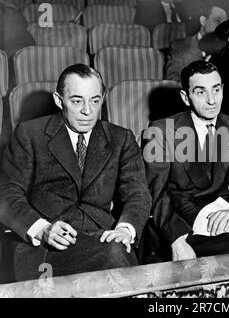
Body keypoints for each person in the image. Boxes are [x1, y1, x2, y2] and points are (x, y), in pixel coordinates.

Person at [0, 64, 151, 281]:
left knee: (117, 251)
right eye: (77, 101)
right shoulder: (29, 135)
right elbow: (7, 193)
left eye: (95, 101)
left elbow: (138, 193)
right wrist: (42, 229)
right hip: (47, 248)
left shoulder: (121, 138)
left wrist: (125, 230)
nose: (87, 111)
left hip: (103, 238)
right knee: (117, 257)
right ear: (58, 100)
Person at [143, 60, 229, 261]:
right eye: (200, 92)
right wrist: (177, 240)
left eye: (216, 90)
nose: (212, 100)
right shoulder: (160, 131)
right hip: (179, 225)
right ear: (185, 97)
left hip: (222, 217)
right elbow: (156, 194)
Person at [165, 4, 227, 82]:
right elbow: (172, 80)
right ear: (203, 21)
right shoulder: (179, 47)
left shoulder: (228, 50)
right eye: (217, 21)